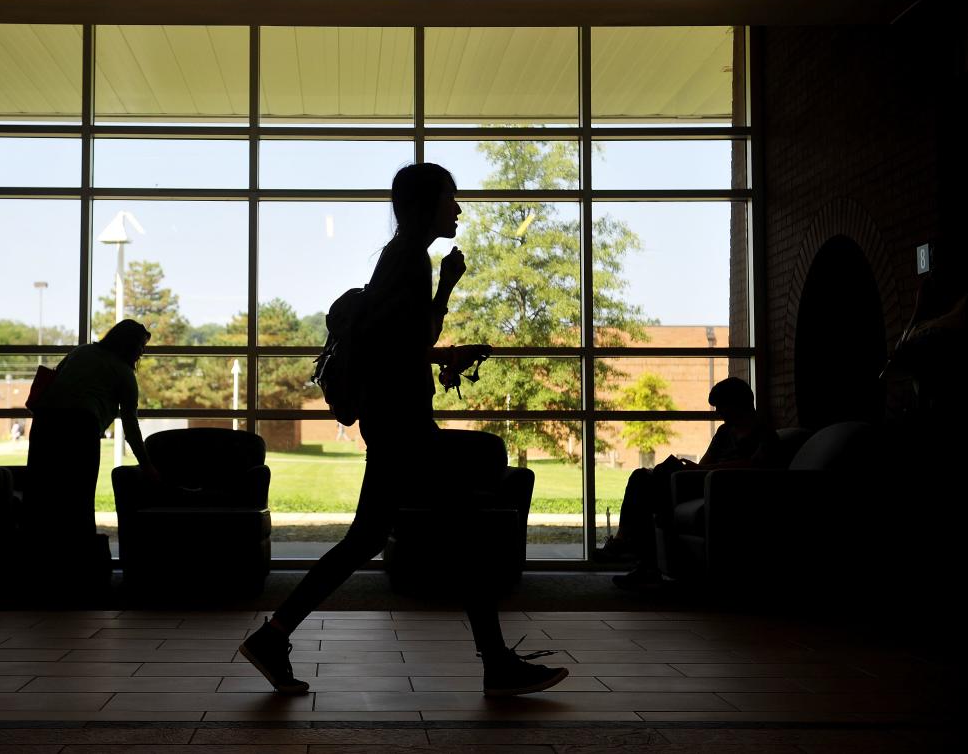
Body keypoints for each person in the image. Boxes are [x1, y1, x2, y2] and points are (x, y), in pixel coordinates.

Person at [239, 163, 569, 697]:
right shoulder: (409, 262)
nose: (458, 208)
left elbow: (398, 345)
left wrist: (441, 336)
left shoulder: (399, 260)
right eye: (451, 197)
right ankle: (497, 664)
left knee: (365, 540)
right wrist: (445, 290)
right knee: (469, 533)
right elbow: (406, 344)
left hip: (393, 423)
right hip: (405, 426)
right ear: (426, 203)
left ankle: (274, 636)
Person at [598, 376, 778, 591]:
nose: (720, 413)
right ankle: (631, 548)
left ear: (737, 404)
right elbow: (705, 462)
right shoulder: (724, 432)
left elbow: (756, 467)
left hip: (724, 489)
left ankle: (629, 547)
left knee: (647, 487)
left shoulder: (765, 434)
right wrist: (693, 469)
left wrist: (702, 471)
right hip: (704, 481)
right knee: (642, 478)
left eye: (722, 406)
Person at [25, 319, 160, 581]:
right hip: (80, 429)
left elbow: (54, 379)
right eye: (141, 346)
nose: (142, 352)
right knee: (78, 497)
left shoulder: (82, 352)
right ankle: (79, 571)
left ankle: (39, 568)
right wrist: (147, 465)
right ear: (130, 345)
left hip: (45, 424)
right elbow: (131, 426)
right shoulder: (123, 373)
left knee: (42, 495)